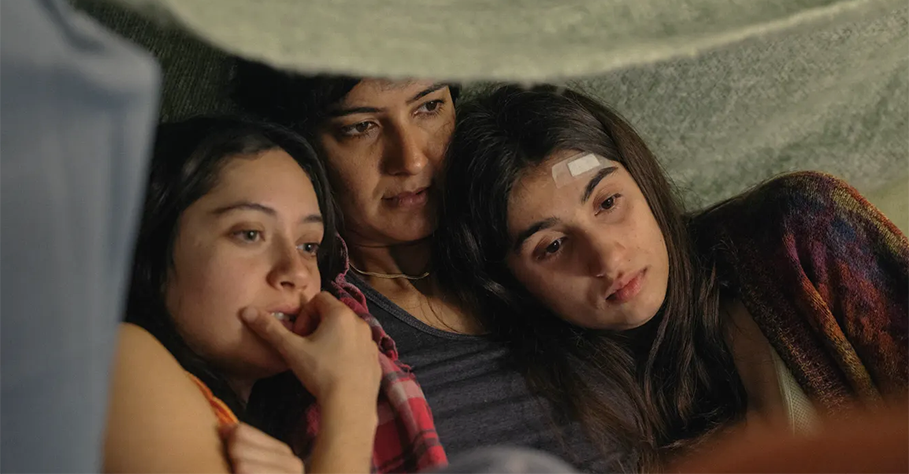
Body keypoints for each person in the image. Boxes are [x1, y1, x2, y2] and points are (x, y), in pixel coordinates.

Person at [433, 84, 909, 469]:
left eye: (608, 202)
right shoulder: (577, 419)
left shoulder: (798, 235)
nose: (606, 257)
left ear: (642, 180)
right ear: (512, 285)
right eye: (553, 246)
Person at [231, 62, 639, 473]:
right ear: (304, 148)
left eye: (428, 107)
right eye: (361, 128)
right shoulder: (308, 325)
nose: (410, 159)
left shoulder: (539, 243)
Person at [104, 117, 382, 474]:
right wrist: (351, 406)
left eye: (309, 245)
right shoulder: (122, 358)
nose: (296, 272)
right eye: (250, 234)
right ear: (151, 244)